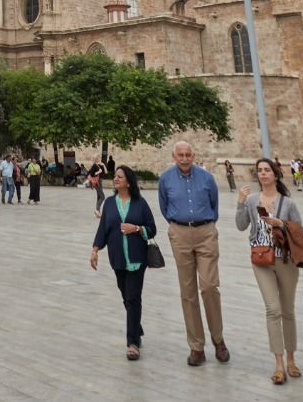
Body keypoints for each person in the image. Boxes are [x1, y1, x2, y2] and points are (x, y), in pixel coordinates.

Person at [157, 139, 229, 366]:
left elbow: (214, 204)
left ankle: (218, 339)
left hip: (205, 232)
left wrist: (206, 225)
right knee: (187, 292)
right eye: (181, 155)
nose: (185, 158)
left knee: (208, 286)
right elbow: (163, 205)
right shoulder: (166, 179)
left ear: (194, 155)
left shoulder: (206, 178)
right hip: (180, 232)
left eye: (188, 154)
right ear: (174, 156)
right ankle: (196, 346)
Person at [236, 160, 303, 385]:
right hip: (261, 258)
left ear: (275, 175)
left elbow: (299, 231)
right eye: (260, 171)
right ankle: (278, 363)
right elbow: (240, 225)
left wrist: (280, 224)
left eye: (267, 170)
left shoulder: (288, 203)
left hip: (285, 260)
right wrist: (240, 203)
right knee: (272, 309)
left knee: (287, 310)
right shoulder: (252, 200)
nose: (263, 174)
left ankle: (291, 359)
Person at [90, 164, 159, 359]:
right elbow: (103, 229)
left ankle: (132, 343)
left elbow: (152, 229)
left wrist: (136, 229)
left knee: (133, 297)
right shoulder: (110, 203)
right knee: (125, 296)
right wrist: (95, 250)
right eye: (116, 177)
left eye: (120, 176)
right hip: (118, 258)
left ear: (128, 181)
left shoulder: (140, 203)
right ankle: (136, 327)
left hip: (137, 258)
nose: (116, 179)